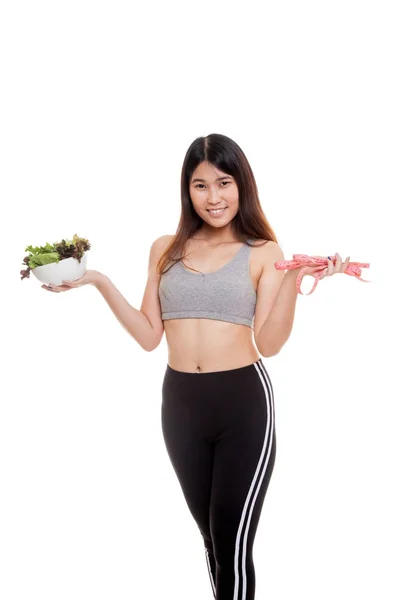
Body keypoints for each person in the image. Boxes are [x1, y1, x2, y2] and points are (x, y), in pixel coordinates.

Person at [42, 133, 349, 599]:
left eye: (224, 183)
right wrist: (98, 281)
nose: (214, 197)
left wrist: (294, 282)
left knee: (232, 541)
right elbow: (149, 336)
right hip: (181, 405)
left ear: (242, 185)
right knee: (212, 541)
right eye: (200, 185)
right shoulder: (164, 248)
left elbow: (270, 343)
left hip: (242, 404)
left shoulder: (263, 249)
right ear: (187, 190)